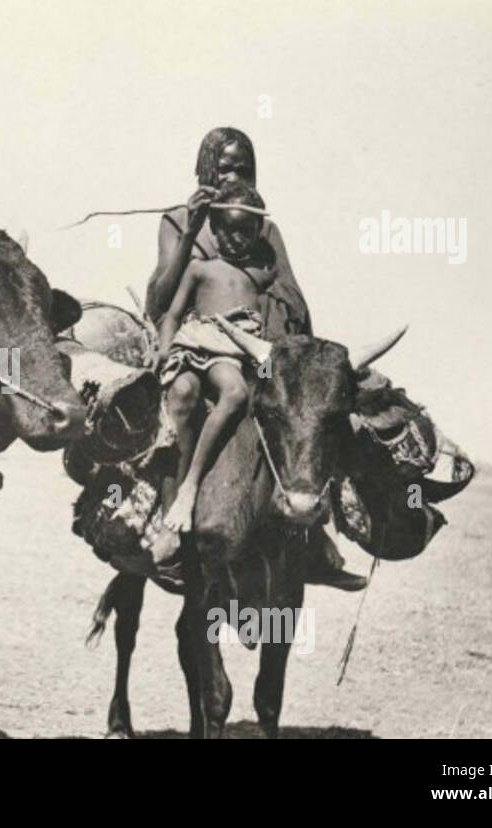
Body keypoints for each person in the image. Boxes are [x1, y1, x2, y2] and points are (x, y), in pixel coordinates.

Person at [143, 127, 366, 590]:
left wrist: (272, 328)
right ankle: (166, 512)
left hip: (259, 348)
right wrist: (190, 235)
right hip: (196, 342)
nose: (232, 176)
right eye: (223, 167)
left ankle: (317, 537)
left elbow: (293, 298)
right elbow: (161, 300)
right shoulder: (177, 220)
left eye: (242, 169)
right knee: (180, 396)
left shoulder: (264, 227)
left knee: (315, 413)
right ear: (204, 168)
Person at [154, 181, 273, 542]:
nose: (237, 239)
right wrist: (162, 348)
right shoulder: (200, 269)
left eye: (246, 231)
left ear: (258, 232)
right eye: (228, 230)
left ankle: (194, 485)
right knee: (184, 390)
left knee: (236, 392)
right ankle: (173, 497)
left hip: (232, 352)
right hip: (195, 343)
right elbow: (173, 313)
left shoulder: (262, 275)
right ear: (215, 231)